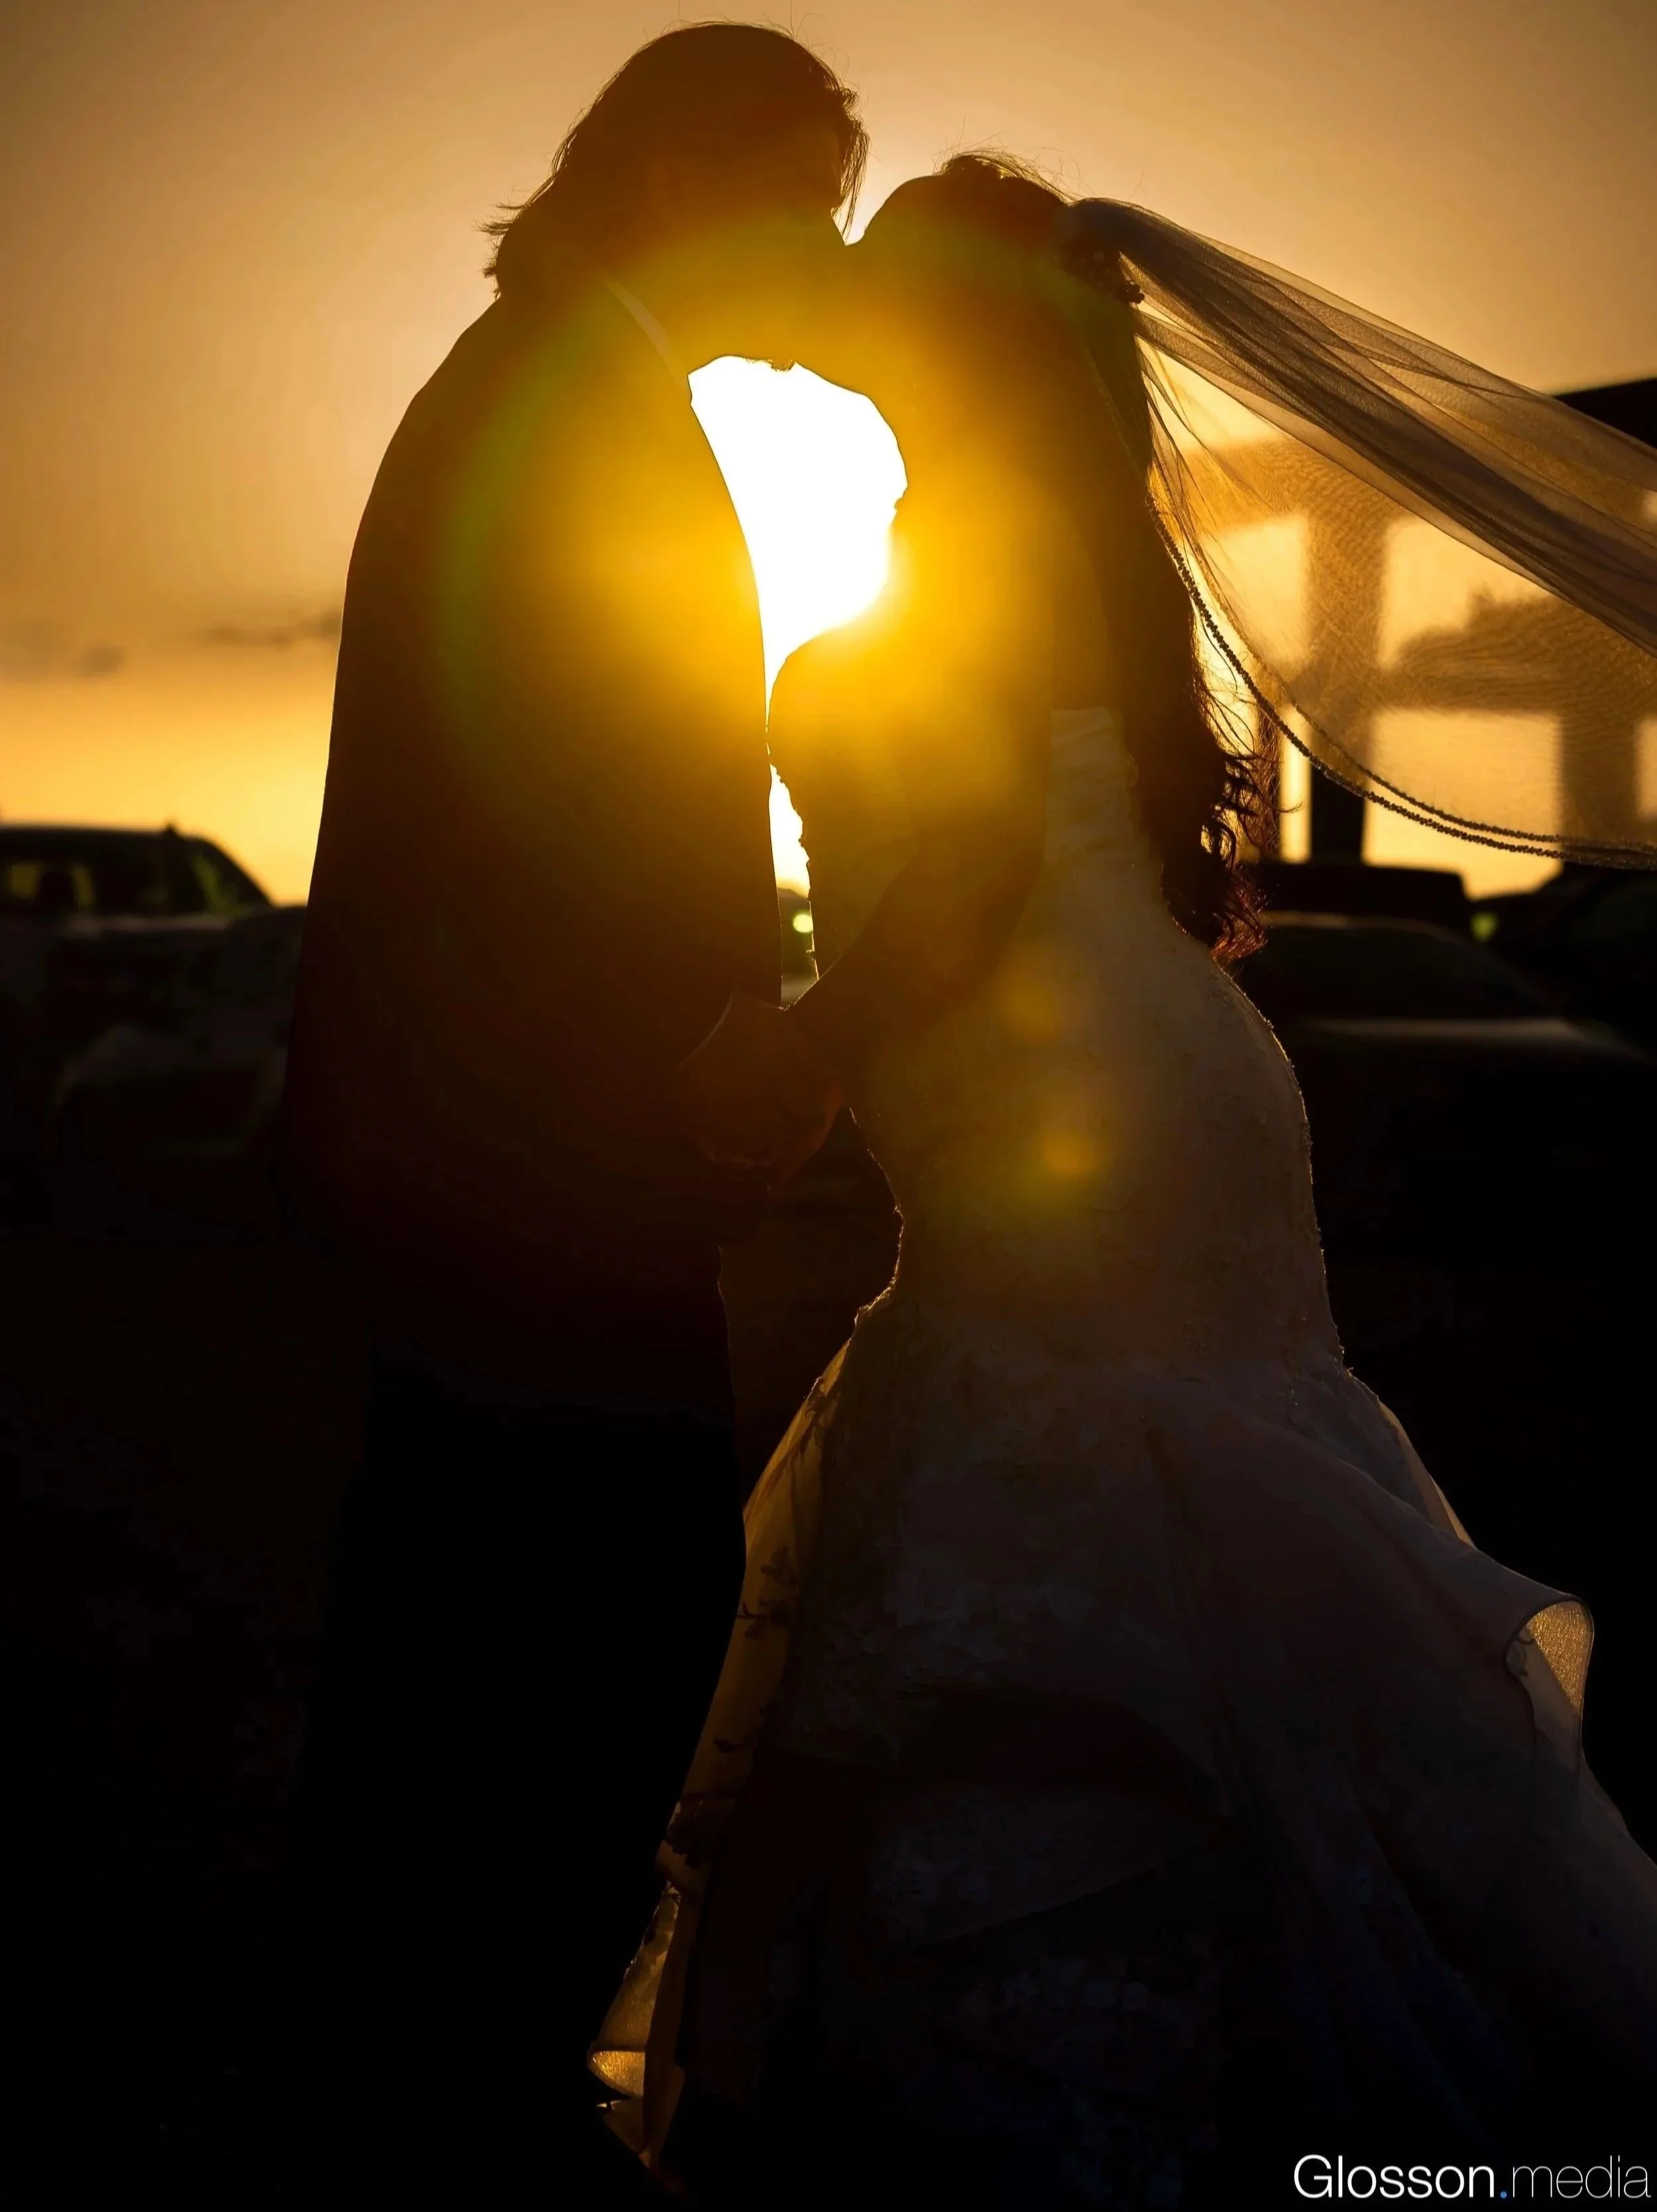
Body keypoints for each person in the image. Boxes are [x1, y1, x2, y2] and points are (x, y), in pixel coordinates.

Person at [591, 157, 1657, 2204]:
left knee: (1066, 1470)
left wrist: (805, 1042)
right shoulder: (1043, 529)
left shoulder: (981, 535)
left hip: (1070, 1093)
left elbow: (975, 861)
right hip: (1147, 1078)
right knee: (1202, 1499)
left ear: (952, 336)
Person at [281, 26, 860, 2198]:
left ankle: (417, 2056)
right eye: (800, 199)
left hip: (501, 1145)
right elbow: (543, 790)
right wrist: (699, 1037)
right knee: (548, 1646)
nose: (816, 249)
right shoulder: (555, 399)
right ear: (682, 180)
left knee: (474, 1635)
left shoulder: (551, 374)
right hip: (532, 1156)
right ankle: (450, 2084)